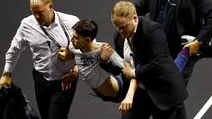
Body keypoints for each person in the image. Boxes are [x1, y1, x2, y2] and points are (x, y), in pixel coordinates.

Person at [58, 19, 190, 113]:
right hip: (101, 93)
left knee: (165, 74)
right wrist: (73, 69)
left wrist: (129, 96)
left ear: (87, 40)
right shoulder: (73, 46)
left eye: (75, 37)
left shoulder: (105, 51)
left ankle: (187, 50)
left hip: (119, 91)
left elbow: (132, 71)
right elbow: (74, 55)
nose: (71, 40)